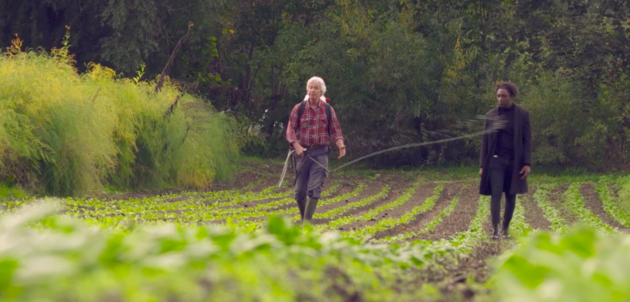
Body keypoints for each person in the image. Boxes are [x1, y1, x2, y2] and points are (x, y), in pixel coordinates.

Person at [286, 76, 346, 226]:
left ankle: (306, 224)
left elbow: (335, 130)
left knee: (313, 190)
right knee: (299, 193)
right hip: (302, 154)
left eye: (316, 88)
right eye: (310, 87)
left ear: (321, 92)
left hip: (320, 153)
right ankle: (304, 219)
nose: (312, 90)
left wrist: (341, 146)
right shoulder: (298, 108)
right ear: (307, 90)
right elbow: (290, 131)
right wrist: (297, 146)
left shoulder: (327, 109)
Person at [479, 81, 532, 240]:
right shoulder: (491, 115)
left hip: (515, 162)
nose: (500, 99)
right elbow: (485, 141)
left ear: (512, 97)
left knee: (511, 195)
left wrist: (527, 163)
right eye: (498, 96)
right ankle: (495, 230)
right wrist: (482, 165)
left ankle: (505, 229)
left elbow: (527, 139)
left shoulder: (522, 115)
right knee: (496, 194)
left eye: (504, 96)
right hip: (495, 161)